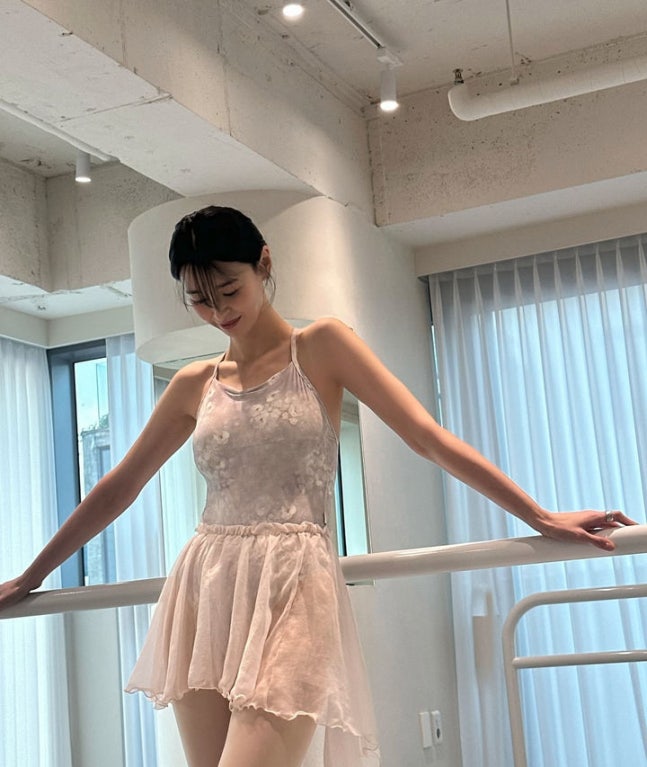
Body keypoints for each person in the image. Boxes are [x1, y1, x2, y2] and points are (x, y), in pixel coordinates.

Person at [0, 206, 635, 767]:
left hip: (294, 582)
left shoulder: (322, 346)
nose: (219, 311)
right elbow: (119, 486)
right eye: (200, 299)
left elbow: (426, 437)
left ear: (264, 264)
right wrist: (31, 576)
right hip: (206, 587)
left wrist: (538, 516)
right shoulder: (194, 383)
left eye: (229, 289)